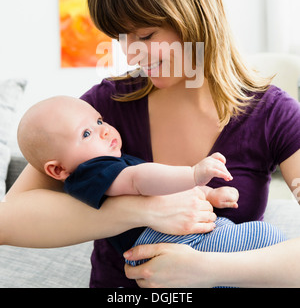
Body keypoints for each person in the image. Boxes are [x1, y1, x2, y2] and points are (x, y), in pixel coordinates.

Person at [2, 0, 300, 288]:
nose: (130, 54)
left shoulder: (273, 115)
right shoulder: (102, 109)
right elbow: (8, 220)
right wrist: (143, 209)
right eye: (121, 38)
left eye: (145, 36)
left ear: (195, 15)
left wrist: (204, 270)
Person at [16, 95, 286, 262]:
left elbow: (166, 194)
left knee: (261, 248)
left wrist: (209, 195)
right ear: (57, 170)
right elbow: (138, 181)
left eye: (99, 121)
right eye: (85, 134)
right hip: (168, 245)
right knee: (265, 237)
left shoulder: (112, 162)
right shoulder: (92, 171)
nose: (104, 131)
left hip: (188, 239)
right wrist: (193, 175)